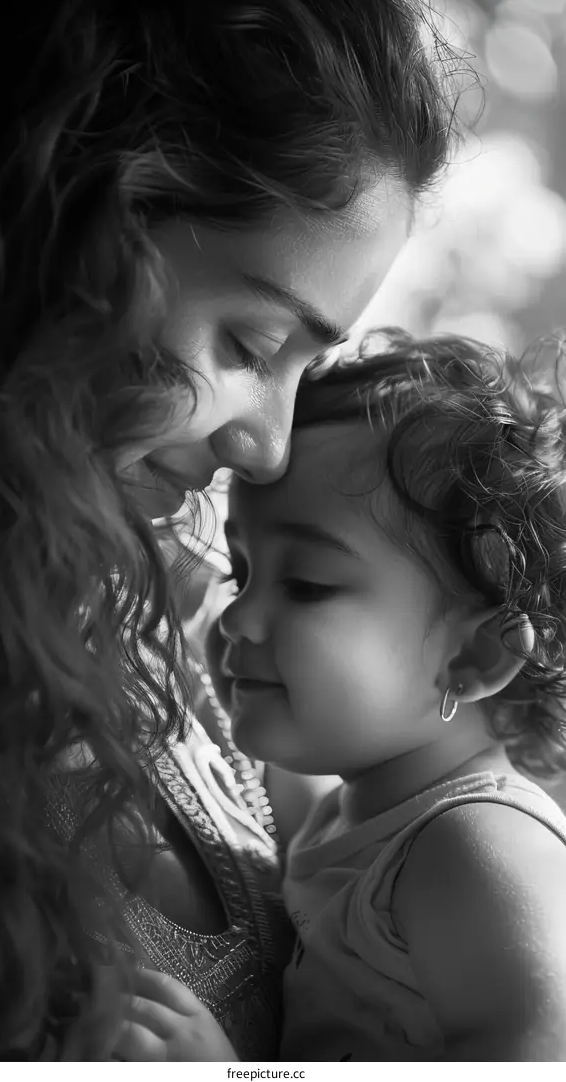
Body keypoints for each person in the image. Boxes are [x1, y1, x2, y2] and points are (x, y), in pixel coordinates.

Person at [0, 0, 457, 1063]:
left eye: (305, 368)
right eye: (250, 342)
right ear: (71, 229)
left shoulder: (191, 634)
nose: (270, 451)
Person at [208, 331, 566, 1061]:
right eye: (238, 571)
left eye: (305, 584)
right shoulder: (361, 812)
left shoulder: (476, 848)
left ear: (474, 653)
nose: (236, 617)